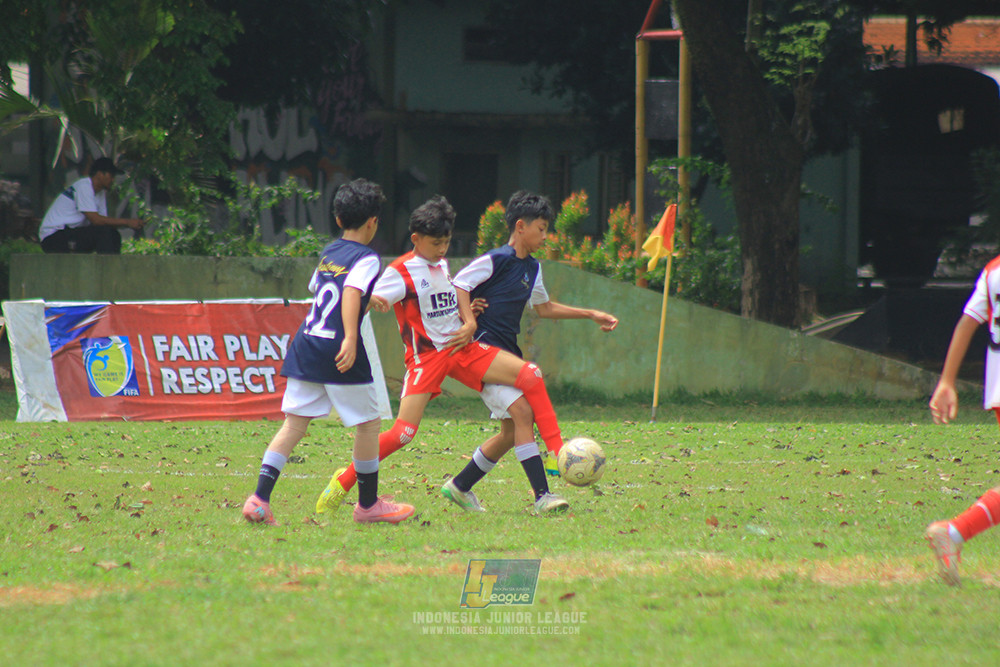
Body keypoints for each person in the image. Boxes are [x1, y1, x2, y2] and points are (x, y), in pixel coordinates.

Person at [315, 194, 571, 515]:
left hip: (462, 348)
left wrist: (469, 313)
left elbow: (447, 300)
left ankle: (554, 454)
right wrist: (371, 303)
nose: (441, 249)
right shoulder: (400, 271)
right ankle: (345, 479)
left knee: (529, 375)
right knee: (403, 434)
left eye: (446, 243)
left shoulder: (442, 264)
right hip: (428, 359)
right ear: (415, 239)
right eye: (435, 243)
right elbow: (367, 296)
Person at [242, 178, 414, 526]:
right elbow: (349, 293)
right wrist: (351, 337)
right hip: (338, 348)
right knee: (368, 425)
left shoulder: (329, 253)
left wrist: (370, 298)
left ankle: (258, 498)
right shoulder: (367, 257)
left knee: (294, 424)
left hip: (307, 344)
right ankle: (368, 505)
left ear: (338, 220)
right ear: (373, 223)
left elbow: (327, 291)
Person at [440, 190, 619, 512]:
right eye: (541, 228)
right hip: (478, 351)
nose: (545, 236)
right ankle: (549, 479)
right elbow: (459, 285)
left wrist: (590, 314)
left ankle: (460, 486)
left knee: (513, 428)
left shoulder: (532, 269)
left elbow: (545, 308)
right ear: (520, 226)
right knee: (529, 393)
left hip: (503, 353)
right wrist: (468, 321)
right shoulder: (495, 259)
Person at [926, 253, 1000, 584]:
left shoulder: (993, 269)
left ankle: (953, 533)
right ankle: (953, 532)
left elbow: (967, 322)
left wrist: (946, 381)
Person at [39, 157, 144, 254]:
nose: (113, 180)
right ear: (99, 174)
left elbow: (103, 223)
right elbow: (96, 220)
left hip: (70, 233)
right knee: (103, 233)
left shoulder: (100, 193)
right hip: (53, 237)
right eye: (111, 176)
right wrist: (127, 222)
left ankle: (112, 270)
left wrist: (131, 224)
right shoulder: (84, 186)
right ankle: (104, 269)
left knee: (113, 234)